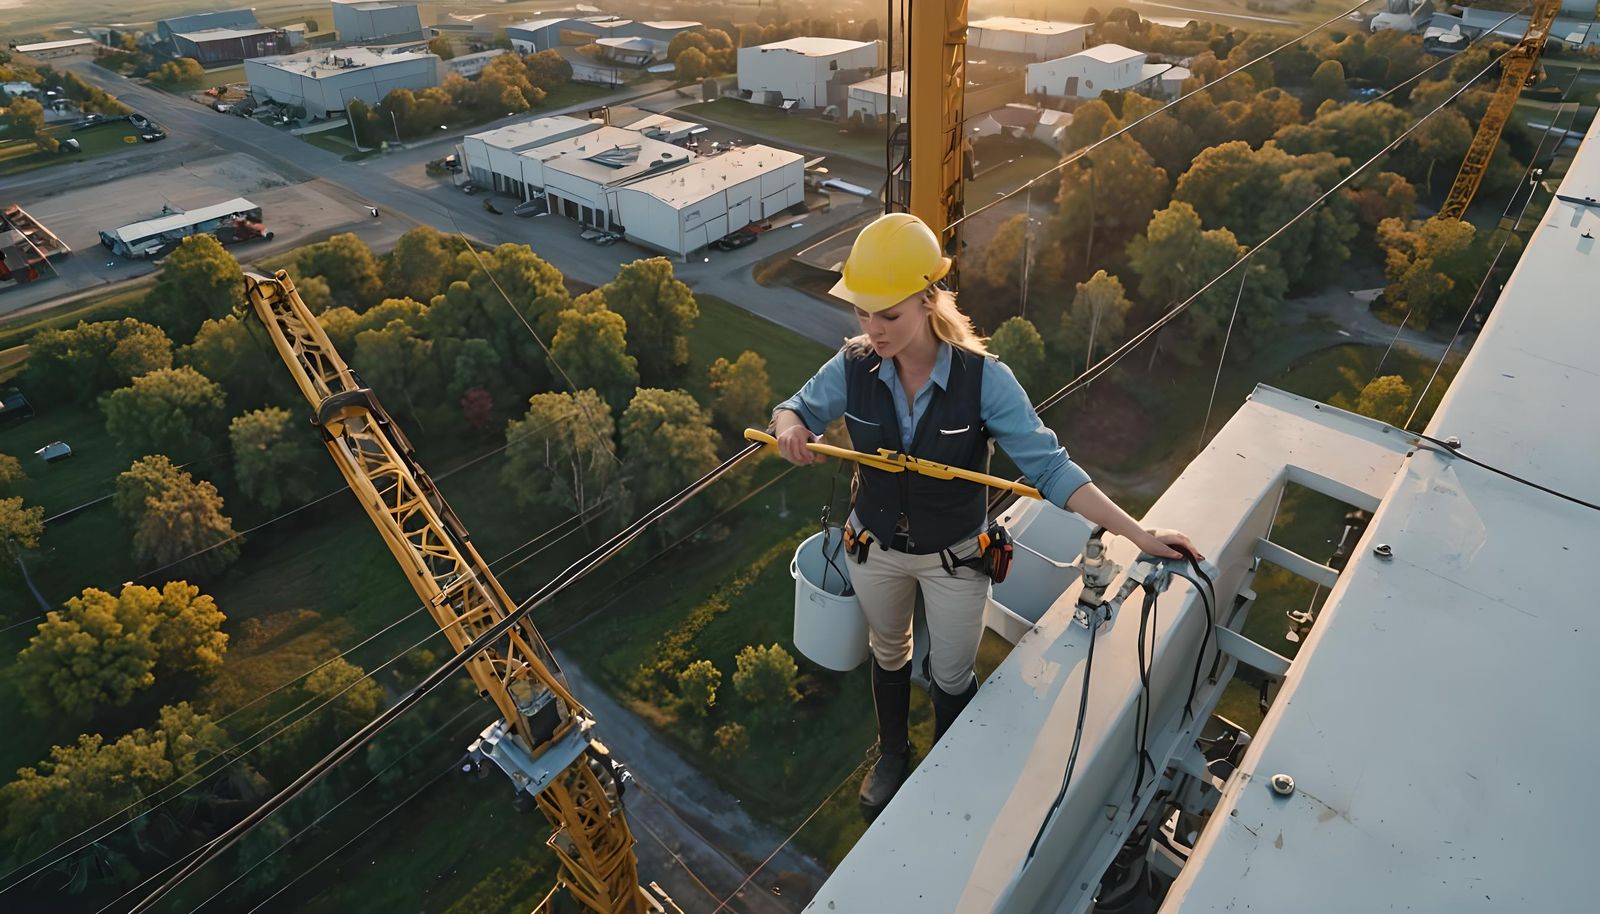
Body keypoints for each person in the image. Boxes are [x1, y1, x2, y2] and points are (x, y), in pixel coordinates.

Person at [771, 212, 1199, 815]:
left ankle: (949, 765)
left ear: (927, 300)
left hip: (954, 559)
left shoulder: (984, 382)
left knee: (950, 673)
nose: (873, 328)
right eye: (863, 313)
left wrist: (1137, 534)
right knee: (888, 650)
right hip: (874, 549)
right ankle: (893, 753)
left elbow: (1051, 470)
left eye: (888, 314)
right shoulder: (853, 365)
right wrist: (790, 428)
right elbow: (794, 409)